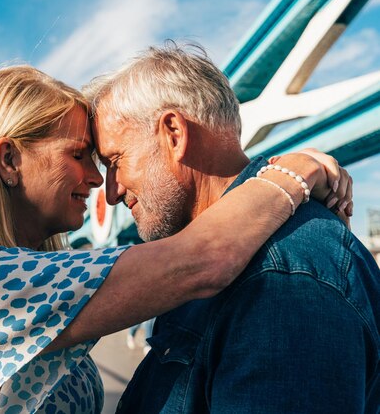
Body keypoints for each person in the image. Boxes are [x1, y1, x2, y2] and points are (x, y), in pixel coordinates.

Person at [0, 65, 351, 414]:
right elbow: (202, 260)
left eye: (109, 159)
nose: (100, 182)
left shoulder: (25, 277)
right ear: (10, 160)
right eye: (80, 155)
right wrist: (295, 171)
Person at [85, 42, 379, 413]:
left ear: (174, 133)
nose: (111, 193)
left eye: (115, 161)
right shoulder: (196, 265)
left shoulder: (285, 279)